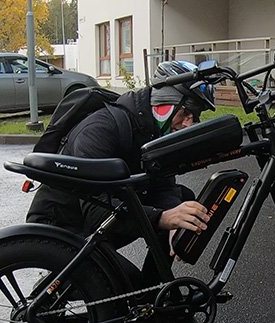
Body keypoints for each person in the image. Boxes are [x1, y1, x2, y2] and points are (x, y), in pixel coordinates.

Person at [26, 61, 217, 284]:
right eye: (186, 113)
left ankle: (155, 290)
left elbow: (163, 185)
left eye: (195, 116)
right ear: (164, 102)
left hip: (98, 225)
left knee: (183, 201)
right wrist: (163, 218)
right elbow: (96, 210)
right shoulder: (102, 128)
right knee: (130, 288)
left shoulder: (152, 132)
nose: (188, 124)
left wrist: (175, 223)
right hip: (63, 228)